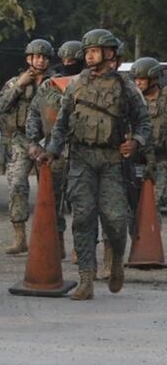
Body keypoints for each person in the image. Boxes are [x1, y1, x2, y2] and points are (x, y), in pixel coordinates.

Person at [38, 28, 151, 300]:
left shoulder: (126, 87)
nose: (88, 56)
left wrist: (135, 142)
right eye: (86, 52)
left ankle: (115, 263)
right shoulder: (76, 85)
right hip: (81, 159)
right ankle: (85, 279)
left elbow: (144, 123)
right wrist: (51, 150)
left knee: (115, 218)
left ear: (109, 53)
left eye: (94, 51)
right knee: (83, 218)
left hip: (112, 160)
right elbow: (62, 123)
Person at [24, 40, 82, 260]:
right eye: (65, 60)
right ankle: (55, 244)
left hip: (81, 152)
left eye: (73, 61)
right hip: (52, 152)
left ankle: (81, 246)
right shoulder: (49, 86)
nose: (68, 64)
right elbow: (34, 115)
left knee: (81, 203)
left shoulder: (87, 84)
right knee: (52, 201)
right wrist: (33, 142)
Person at [0, 39, 54, 255]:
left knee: (51, 190)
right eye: (36, 56)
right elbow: (1, 105)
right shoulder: (16, 81)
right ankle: (20, 237)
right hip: (20, 140)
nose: (39, 60)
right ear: (28, 58)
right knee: (17, 185)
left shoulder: (55, 83)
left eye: (43, 57)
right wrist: (20, 84)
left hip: (47, 142)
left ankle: (53, 239)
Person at [129, 58, 167, 209]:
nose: (138, 83)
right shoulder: (134, 101)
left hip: (161, 161)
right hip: (137, 161)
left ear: (154, 79)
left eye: (142, 78)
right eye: (136, 79)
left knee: (152, 206)